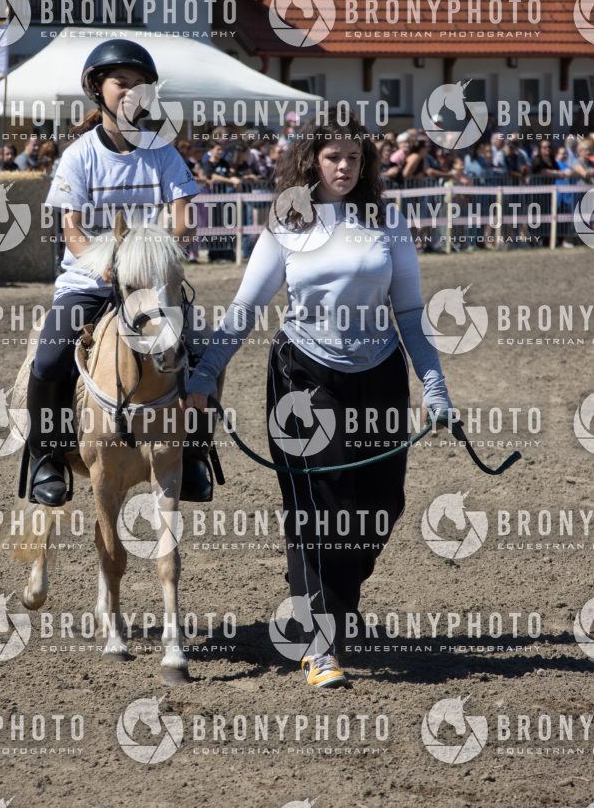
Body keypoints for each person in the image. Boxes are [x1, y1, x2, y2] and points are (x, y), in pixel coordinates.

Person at [185, 110, 453, 689]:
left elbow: (409, 310)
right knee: (322, 508)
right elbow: (246, 307)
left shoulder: (386, 220)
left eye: (355, 157)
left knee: (382, 505)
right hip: (303, 378)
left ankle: (328, 595)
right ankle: (321, 644)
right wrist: (205, 374)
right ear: (312, 160)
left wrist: (434, 385)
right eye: (334, 157)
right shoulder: (287, 222)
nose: (345, 167)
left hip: (380, 375)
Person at [25, 38, 215, 507]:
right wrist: (106, 262)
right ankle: (47, 456)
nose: (132, 92)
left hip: (152, 284)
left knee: (203, 354)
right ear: (97, 89)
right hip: (90, 283)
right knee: (48, 362)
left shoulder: (163, 152)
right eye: (121, 83)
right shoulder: (79, 156)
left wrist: (160, 254)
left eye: (141, 85)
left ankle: (195, 452)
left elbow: (184, 219)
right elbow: (71, 230)